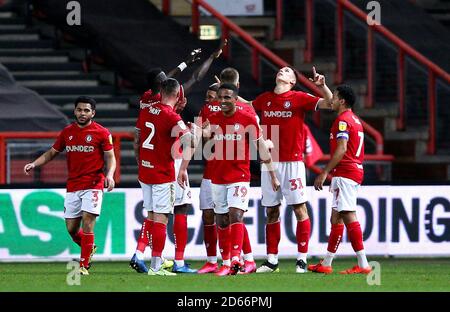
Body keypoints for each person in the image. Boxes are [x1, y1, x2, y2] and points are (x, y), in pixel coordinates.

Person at [130, 41, 226, 274]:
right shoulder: (170, 113)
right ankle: (175, 262)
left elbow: (136, 136)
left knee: (153, 212)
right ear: (162, 88)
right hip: (168, 160)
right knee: (177, 208)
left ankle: (140, 253)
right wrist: (210, 58)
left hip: (148, 162)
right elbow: (194, 79)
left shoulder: (146, 102)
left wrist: (186, 62)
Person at [179, 83, 280, 276]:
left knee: (236, 214)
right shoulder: (213, 118)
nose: (223, 101)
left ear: (235, 100)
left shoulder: (247, 118)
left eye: (227, 98)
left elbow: (262, 148)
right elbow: (206, 136)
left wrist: (272, 175)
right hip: (217, 175)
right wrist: (197, 133)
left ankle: (235, 259)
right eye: (221, 98)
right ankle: (225, 262)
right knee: (222, 219)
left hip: (239, 175)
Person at [246, 66, 333, 273]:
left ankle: (301, 259)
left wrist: (323, 87)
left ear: (292, 81)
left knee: (299, 208)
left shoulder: (299, 97)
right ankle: (272, 261)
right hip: (270, 163)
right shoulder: (265, 98)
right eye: (280, 70)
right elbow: (246, 106)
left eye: (287, 71)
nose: (281, 71)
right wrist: (230, 95)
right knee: (271, 211)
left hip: (293, 163)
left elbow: (330, 103)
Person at [23, 96, 116, 276]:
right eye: (80, 110)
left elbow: (111, 157)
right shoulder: (67, 132)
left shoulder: (102, 132)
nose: (82, 113)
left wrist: (110, 175)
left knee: (88, 222)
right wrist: (34, 164)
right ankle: (90, 248)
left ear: (93, 113)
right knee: (72, 229)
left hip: (94, 183)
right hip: (73, 185)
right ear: (74, 111)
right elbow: (51, 153)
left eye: (86, 110)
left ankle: (83, 265)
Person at [135, 78, 198, 276]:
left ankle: (152, 261)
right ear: (178, 95)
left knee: (152, 217)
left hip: (145, 172)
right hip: (163, 174)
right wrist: (182, 169)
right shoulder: (172, 117)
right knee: (161, 219)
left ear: (161, 91)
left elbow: (137, 139)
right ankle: (155, 266)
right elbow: (191, 143)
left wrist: (140, 162)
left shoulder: (146, 111)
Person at [308, 85, 371, 274]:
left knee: (348, 214)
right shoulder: (355, 120)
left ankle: (363, 264)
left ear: (342, 101)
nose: (331, 100)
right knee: (336, 217)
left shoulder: (342, 121)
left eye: (334, 97)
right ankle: (326, 263)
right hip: (350, 171)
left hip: (345, 172)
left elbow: (342, 148)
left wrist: (324, 171)